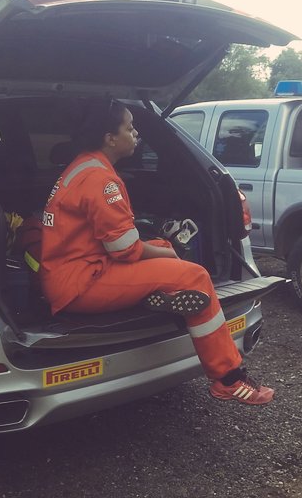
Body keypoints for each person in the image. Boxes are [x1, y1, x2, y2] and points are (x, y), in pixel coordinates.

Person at [40, 99, 274, 404]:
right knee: (194, 276)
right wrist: (168, 255)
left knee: (163, 251)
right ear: (110, 138)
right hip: (81, 283)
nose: (136, 133)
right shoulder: (101, 179)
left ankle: (161, 297)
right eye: (129, 127)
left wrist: (161, 250)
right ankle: (227, 379)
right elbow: (123, 249)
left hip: (71, 273)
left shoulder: (84, 165)